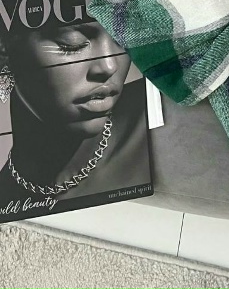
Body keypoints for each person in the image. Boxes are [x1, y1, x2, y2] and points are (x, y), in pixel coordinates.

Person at [0, 15, 149, 216]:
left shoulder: (161, 118)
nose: (109, 66)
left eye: (123, 37)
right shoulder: (7, 197)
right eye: (72, 43)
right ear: (4, 47)